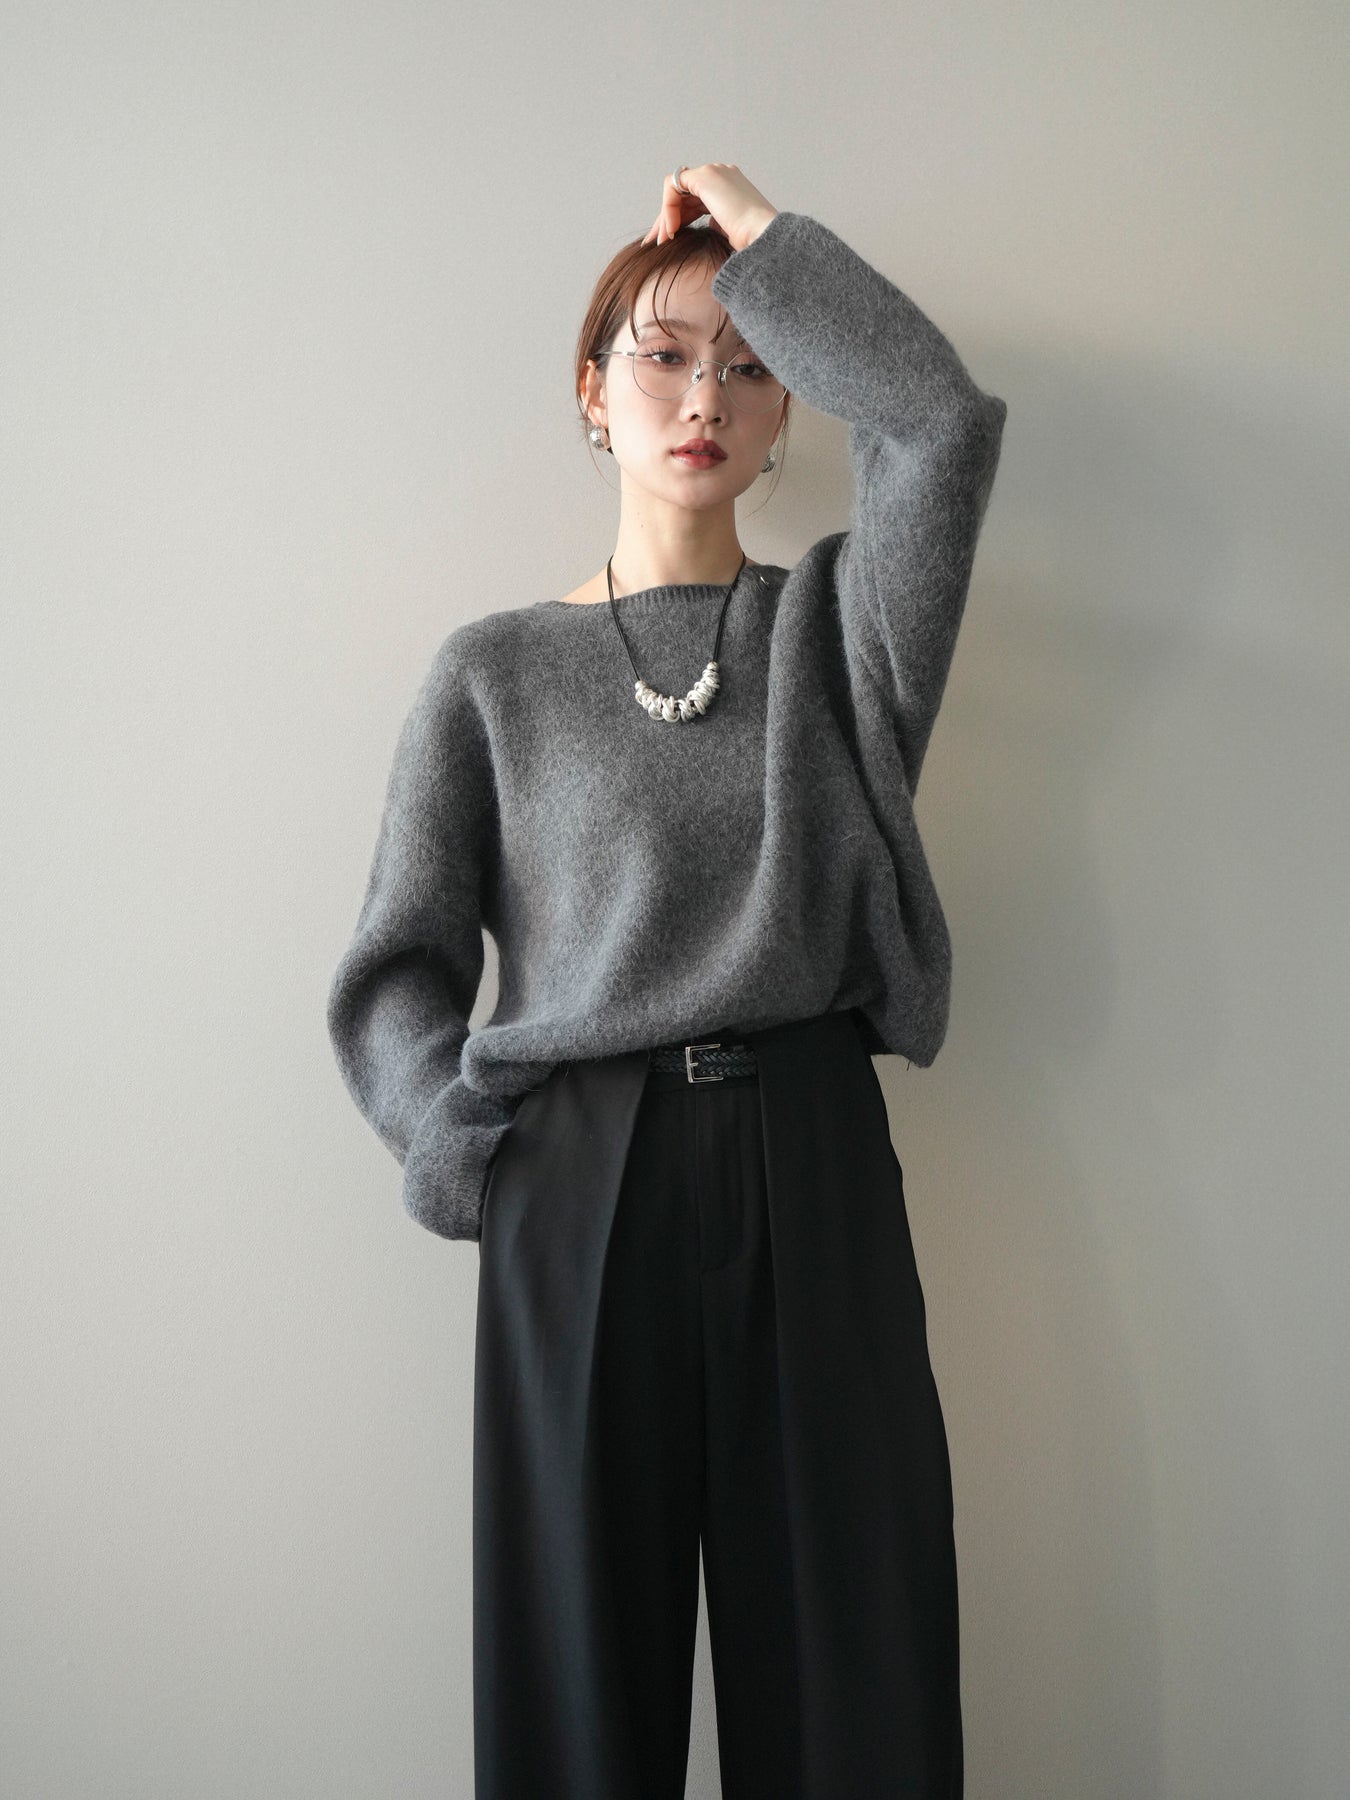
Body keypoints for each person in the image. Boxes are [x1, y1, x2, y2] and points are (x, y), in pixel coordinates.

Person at [327, 161, 1008, 1799]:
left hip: (808, 1154)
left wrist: (763, 239)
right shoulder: (491, 673)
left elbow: (938, 426)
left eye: (749, 366)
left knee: (854, 1669)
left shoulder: (838, 639)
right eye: (661, 355)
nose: (704, 398)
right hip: (574, 1176)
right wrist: (469, 1157)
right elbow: (400, 965)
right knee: (578, 1684)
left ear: (785, 419)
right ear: (592, 392)